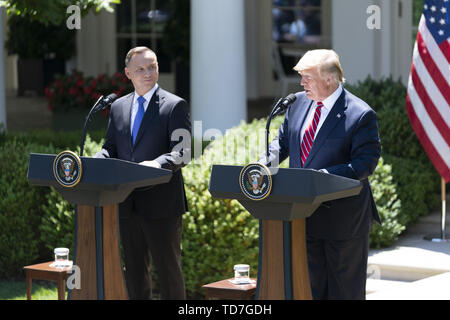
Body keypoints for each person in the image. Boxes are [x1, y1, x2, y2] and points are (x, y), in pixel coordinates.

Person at [262, 49, 381, 299]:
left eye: (308, 77)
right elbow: (282, 142)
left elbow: (365, 163)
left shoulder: (360, 114)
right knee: (310, 289)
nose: (301, 82)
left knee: (343, 292)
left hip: (343, 220)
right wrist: (264, 163)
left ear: (329, 79)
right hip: (302, 215)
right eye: (301, 76)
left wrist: (323, 176)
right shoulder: (298, 103)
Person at [95, 46, 191, 299]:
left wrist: (157, 163)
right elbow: (110, 147)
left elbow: (183, 152)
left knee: (169, 272)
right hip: (127, 203)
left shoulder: (174, 106)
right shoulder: (118, 107)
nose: (148, 73)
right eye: (140, 69)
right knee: (135, 272)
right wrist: (98, 159)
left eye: (153, 66)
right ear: (128, 73)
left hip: (162, 203)